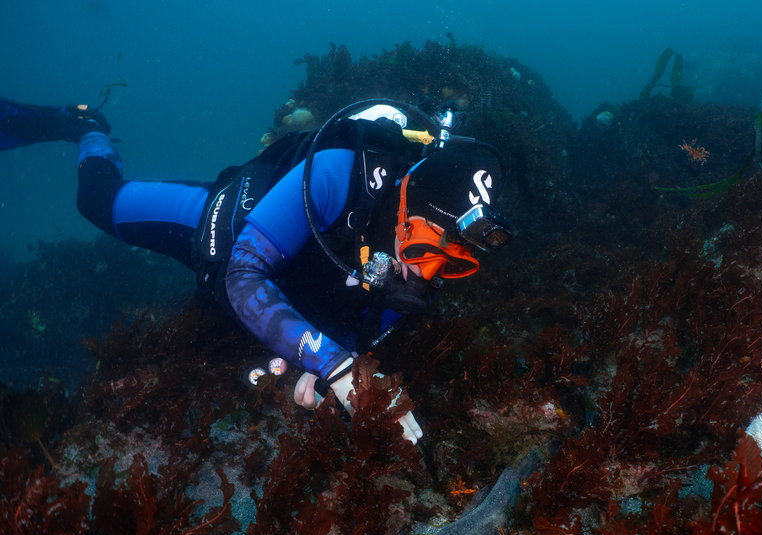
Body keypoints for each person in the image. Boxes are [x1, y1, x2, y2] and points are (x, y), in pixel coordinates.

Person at [0, 97, 513, 444]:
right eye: (426, 249)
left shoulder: (430, 274)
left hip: (291, 294)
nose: (428, 273)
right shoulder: (338, 174)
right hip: (223, 233)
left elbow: (356, 333)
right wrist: (336, 369)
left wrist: (322, 371)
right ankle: (85, 127)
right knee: (99, 203)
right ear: (407, 205)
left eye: (453, 262)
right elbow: (243, 275)